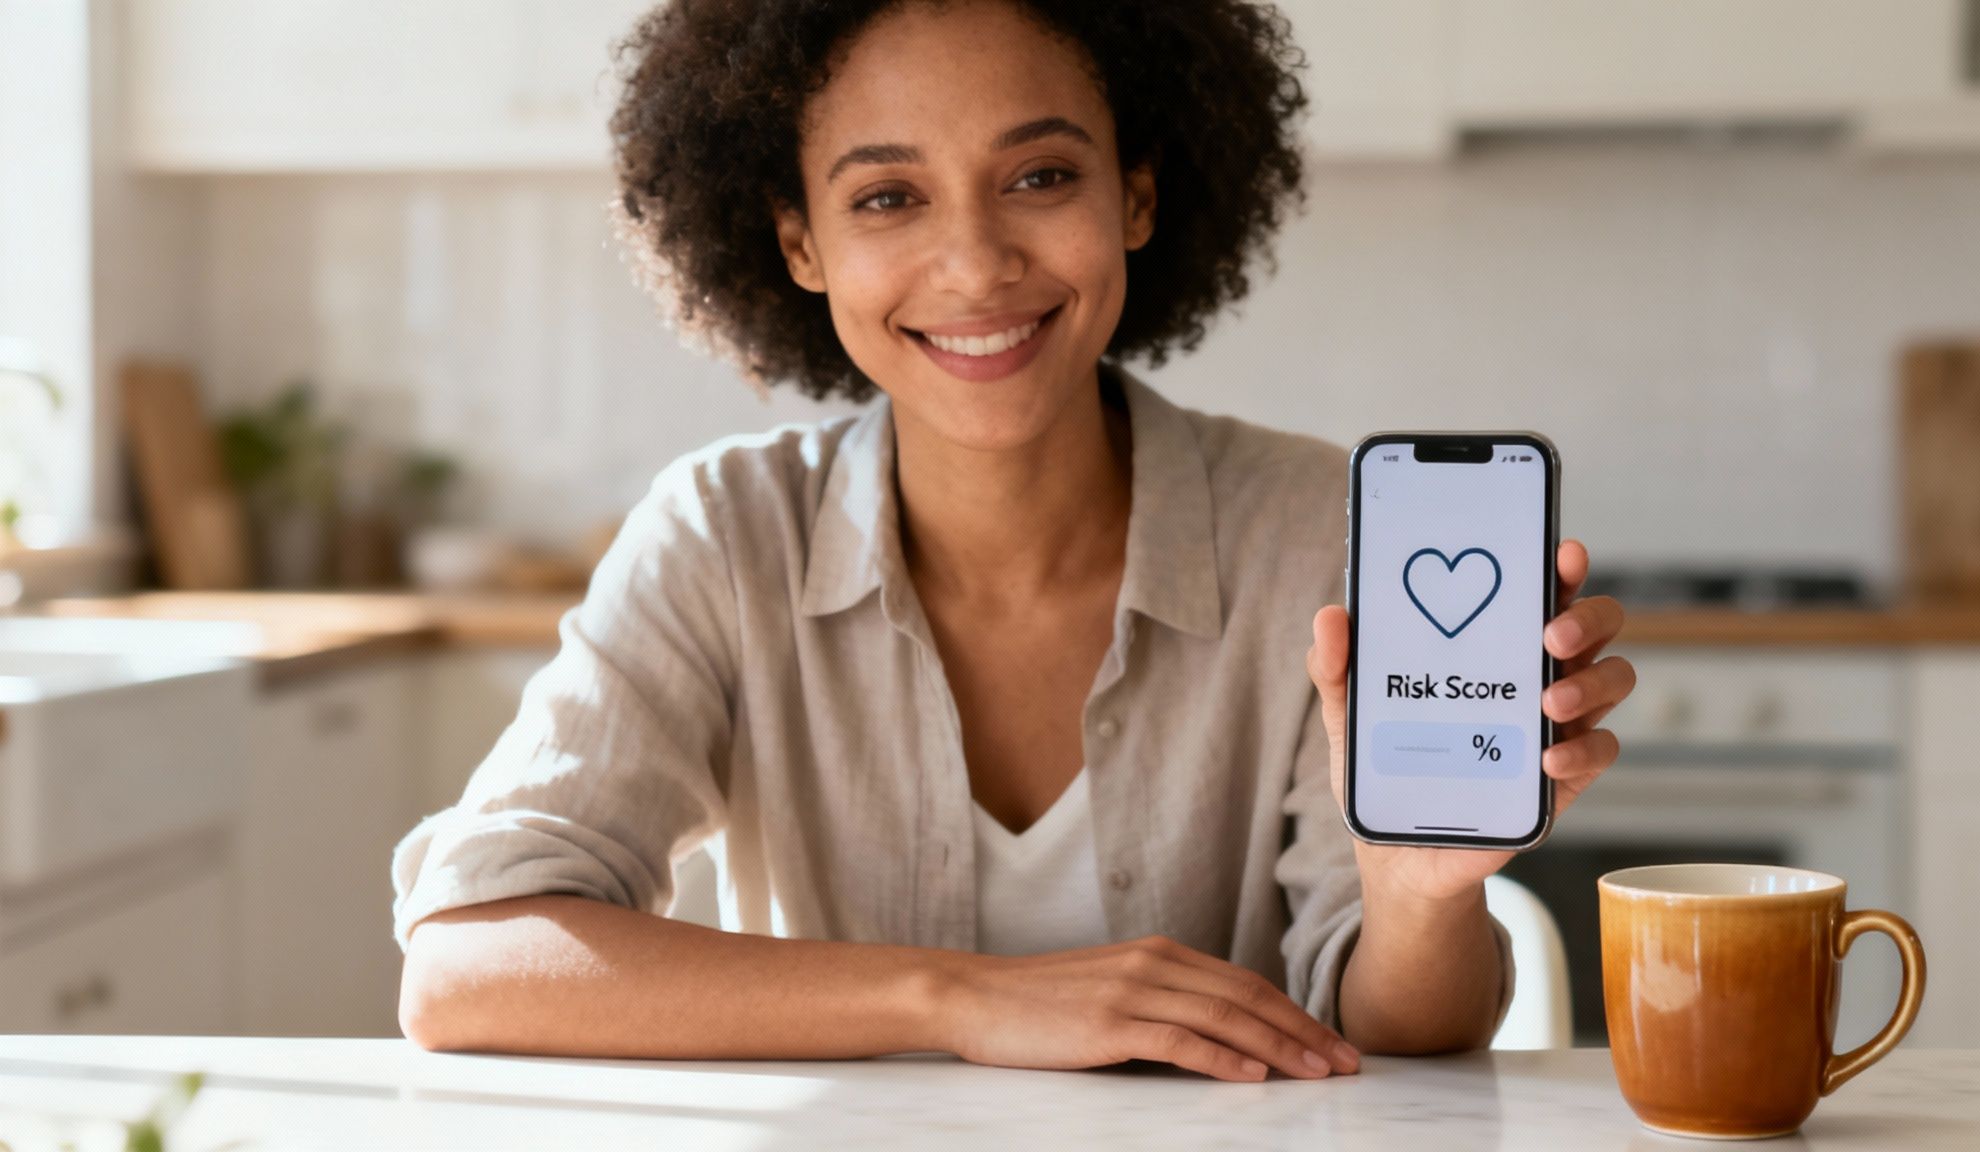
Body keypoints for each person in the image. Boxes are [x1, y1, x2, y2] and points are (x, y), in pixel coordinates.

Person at [392, 0, 1636, 1082]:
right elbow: (467, 966)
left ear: (1134, 192)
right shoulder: (723, 537)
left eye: (1039, 176)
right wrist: (957, 998)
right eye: (886, 196)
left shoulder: (1314, 532)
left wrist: (1417, 892)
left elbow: (1404, 1041)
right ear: (798, 244)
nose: (976, 263)